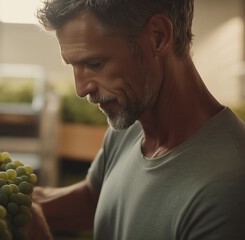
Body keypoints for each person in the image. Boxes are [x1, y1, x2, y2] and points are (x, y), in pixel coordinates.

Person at [27, 0, 245, 239]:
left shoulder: (228, 189)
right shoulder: (129, 124)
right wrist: (11, 203)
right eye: (73, 65)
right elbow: (95, 198)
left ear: (158, 36)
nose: (81, 89)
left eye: (95, 64)